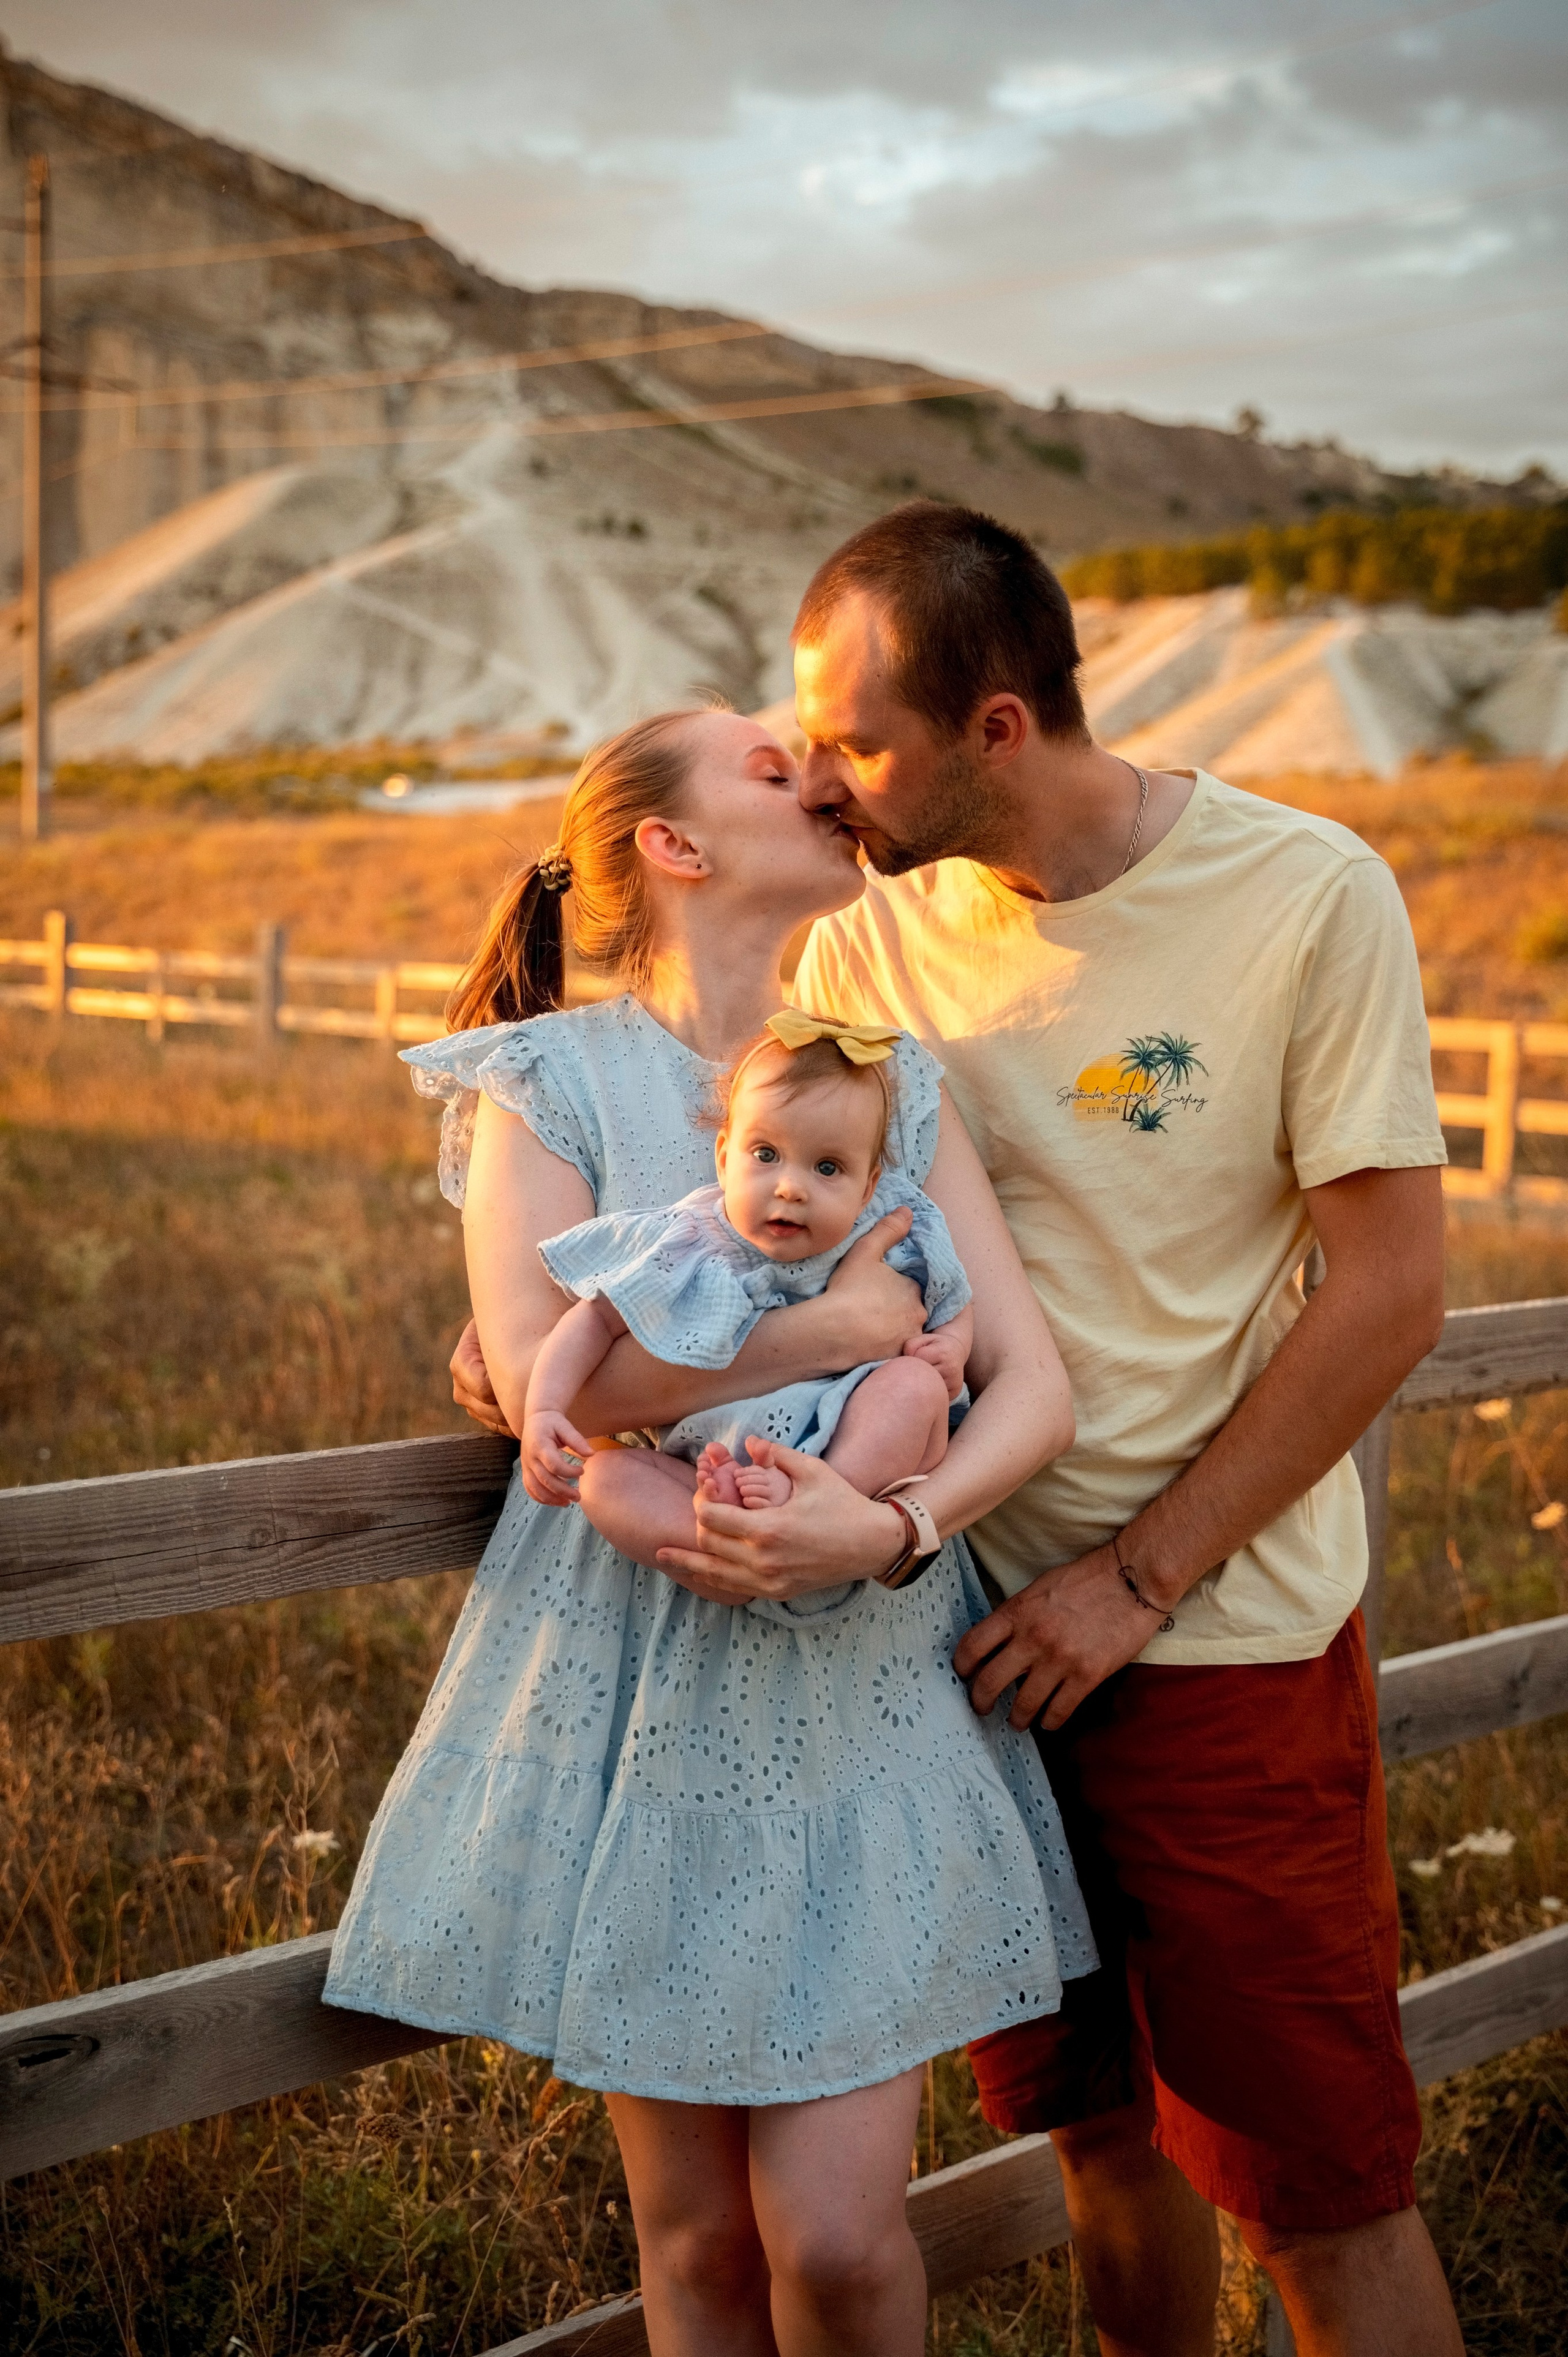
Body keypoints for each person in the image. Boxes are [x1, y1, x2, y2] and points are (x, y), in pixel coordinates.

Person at [454, 505, 1463, 2356]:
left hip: (1207, 1641)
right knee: (1097, 2142)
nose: (828, 786)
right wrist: (534, 1308)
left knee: (1321, 2199)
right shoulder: (875, 941)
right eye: (803, 747)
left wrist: (1133, 1579)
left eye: (857, 744)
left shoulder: (1305, 894)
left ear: (996, 730)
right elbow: (747, 1192)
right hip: (948, 1660)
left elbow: (1392, 1292)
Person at [325, 704, 1097, 2357]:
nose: (818, 773)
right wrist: (840, 1331)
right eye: (767, 764)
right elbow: (554, 1379)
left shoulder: (894, 1080)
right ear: (671, 849)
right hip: (637, 1692)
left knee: (836, 2243)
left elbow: (1032, 1389)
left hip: (858, 1685)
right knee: (696, 2242)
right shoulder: (552, 1081)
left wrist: (896, 1525)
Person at [522, 1011, 974, 1558]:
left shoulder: (889, 1232)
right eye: (766, 1155)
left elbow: (953, 1299)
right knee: (606, 1480)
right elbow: (593, 1319)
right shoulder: (688, 1243)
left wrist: (950, 1347)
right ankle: (723, 1545)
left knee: (916, 1387)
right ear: (723, 1158)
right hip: (704, 1470)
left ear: (869, 1185)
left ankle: (821, 1506)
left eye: (828, 1168)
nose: (790, 1187)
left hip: (850, 1443)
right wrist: (544, 1408)